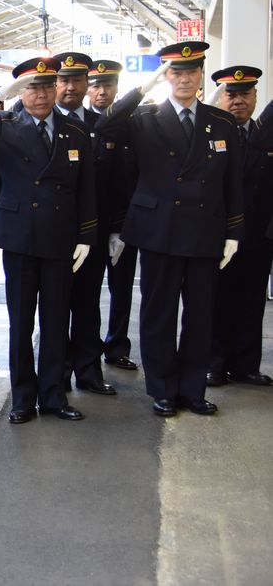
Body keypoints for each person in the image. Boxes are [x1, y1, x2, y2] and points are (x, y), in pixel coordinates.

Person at [95, 41, 244, 417]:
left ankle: (192, 389)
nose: (183, 79)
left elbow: (234, 183)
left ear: (200, 76)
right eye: (175, 72)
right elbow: (104, 125)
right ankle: (162, 387)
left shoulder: (220, 121)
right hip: (159, 230)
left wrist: (233, 232)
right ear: (166, 76)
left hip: (205, 232)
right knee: (159, 314)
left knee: (200, 315)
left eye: (191, 72)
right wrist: (145, 85)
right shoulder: (144, 118)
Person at [0, 57, 97, 424]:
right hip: (19, 239)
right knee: (21, 323)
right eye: (32, 87)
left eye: (48, 87)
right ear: (21, 91)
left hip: (60, 238)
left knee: (54, 320)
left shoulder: (74, 130)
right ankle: (22, 397)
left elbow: (87, 190)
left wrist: (87, 234)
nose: (42, 95)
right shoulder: (2, 124)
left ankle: (53, 396)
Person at [52, 52, 118, 397]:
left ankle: (88, 370)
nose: (70, 87)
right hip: (51, 234)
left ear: (87, 84)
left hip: (92, 231)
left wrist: (115, 229)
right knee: (54, 307)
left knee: (88, 303)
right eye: (63, 80)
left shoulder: (104, 124)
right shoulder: (33, 122)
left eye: (77, 80)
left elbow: (122, 178)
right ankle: (57, 373)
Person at [208, 65, 272, 386]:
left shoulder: (265, 133)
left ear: (256, 96)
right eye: (231, 95)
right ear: (220, 97)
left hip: (258, 235)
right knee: (218, 300)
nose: (238, 101)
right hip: (218, 236)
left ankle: (246, 365)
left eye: (245, 94)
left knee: (251, 301)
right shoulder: (209, 134)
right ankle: (215, 364)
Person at [85, 60, 140, 372]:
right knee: (88, 291)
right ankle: (88, 347)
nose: (101, 91)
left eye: (108, 85)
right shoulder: (82, 125)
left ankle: (117, 345)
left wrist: (121, 226)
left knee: (122, 289)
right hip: (91, 223)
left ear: (117, 88)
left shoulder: (131, 125)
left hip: (124, 221)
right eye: (95, 85)